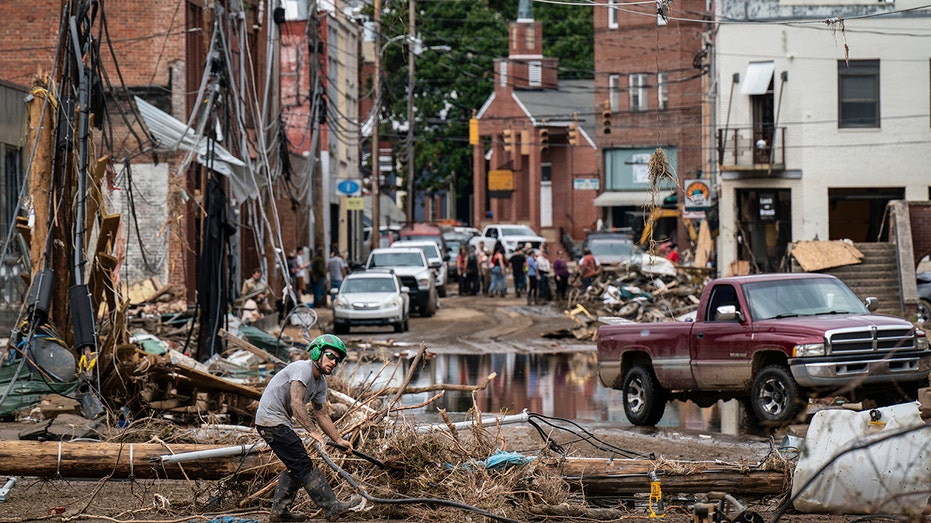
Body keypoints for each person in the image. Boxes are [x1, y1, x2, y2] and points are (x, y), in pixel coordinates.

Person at [255, 334, 363, 521]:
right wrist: (313, 432)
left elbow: (321, 414)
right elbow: (297, 405)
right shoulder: (301, 370)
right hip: (270, 421)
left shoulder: (321, 382)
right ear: (316, 353)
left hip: (279, 422)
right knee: (303, 464)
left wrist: (338, 439)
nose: (333, 362)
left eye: (337, 360)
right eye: (330, 356)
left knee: (296, 464)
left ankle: (279, 513)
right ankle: (332, 506)